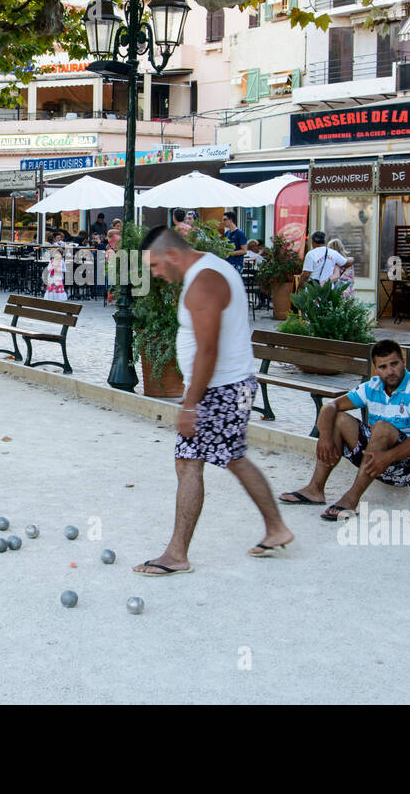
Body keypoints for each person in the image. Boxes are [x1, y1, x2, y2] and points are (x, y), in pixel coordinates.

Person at [133, 226, 293, 575]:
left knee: (190, 462)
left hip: (220, 389)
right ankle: (276, 527)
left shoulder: (203, 282)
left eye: (157, 266)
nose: (156, 274)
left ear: (172, 256)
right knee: (231, 459)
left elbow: (208, 349)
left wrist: (191, 404)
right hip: (227, 387)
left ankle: (177, 554)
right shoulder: (211, 268)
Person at [278, 339, 410, 522]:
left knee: (381, 428)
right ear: (375, 368)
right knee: (338, 418)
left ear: (403, 362)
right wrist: (325, 437)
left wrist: (387, 457)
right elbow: (330, 406)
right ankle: (315, 489)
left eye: (394, 364)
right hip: (381, 460)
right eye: (383, 367)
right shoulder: (372, 387)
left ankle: (351, 499)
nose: (390, 371)